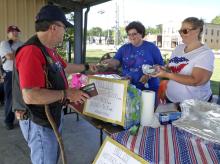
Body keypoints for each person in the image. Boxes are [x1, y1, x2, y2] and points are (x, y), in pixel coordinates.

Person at [13, 5, 97, 164]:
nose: (65, 32)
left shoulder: (48, 49)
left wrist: (86, 67)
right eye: (64, 28)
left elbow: (64, 67)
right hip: (39, 121)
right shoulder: (31, 51)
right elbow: (30, 95)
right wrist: (67, 93)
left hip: (51, 115)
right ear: (53, 27)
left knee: (51, 157)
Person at [152, 17, 214, 103]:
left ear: (197, 31)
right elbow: (171, 69)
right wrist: (161, 69)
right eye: (180, 31)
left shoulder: (205, 53)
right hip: (171, 100)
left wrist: (166, 74)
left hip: (194, 105)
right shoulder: (178, 48)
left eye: (184, 31)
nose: (181, 34)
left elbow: (196, 81)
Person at [101, 21, 164, 92]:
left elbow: (161, 66)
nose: (131, 37)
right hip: (128, 87)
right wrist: (110, 62)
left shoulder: (152, 48)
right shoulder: (124, 48)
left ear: (141, 34)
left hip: (148, 89)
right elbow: (117, 61)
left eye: (134, 34)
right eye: (129, 34)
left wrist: (148, 75)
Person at [0, 25, 23, 129]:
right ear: (8, 33)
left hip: (21, 72)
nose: (14, 33)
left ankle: (22, 118)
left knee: (22, 96)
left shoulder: (21, 44)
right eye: (12, 31)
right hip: (9, 74)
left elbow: (25, 56)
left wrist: (15, 54)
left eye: (16, 31)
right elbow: (9, 56)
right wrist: (19, 54)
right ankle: (8, 121)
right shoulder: (4, 43)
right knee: (10, 98)